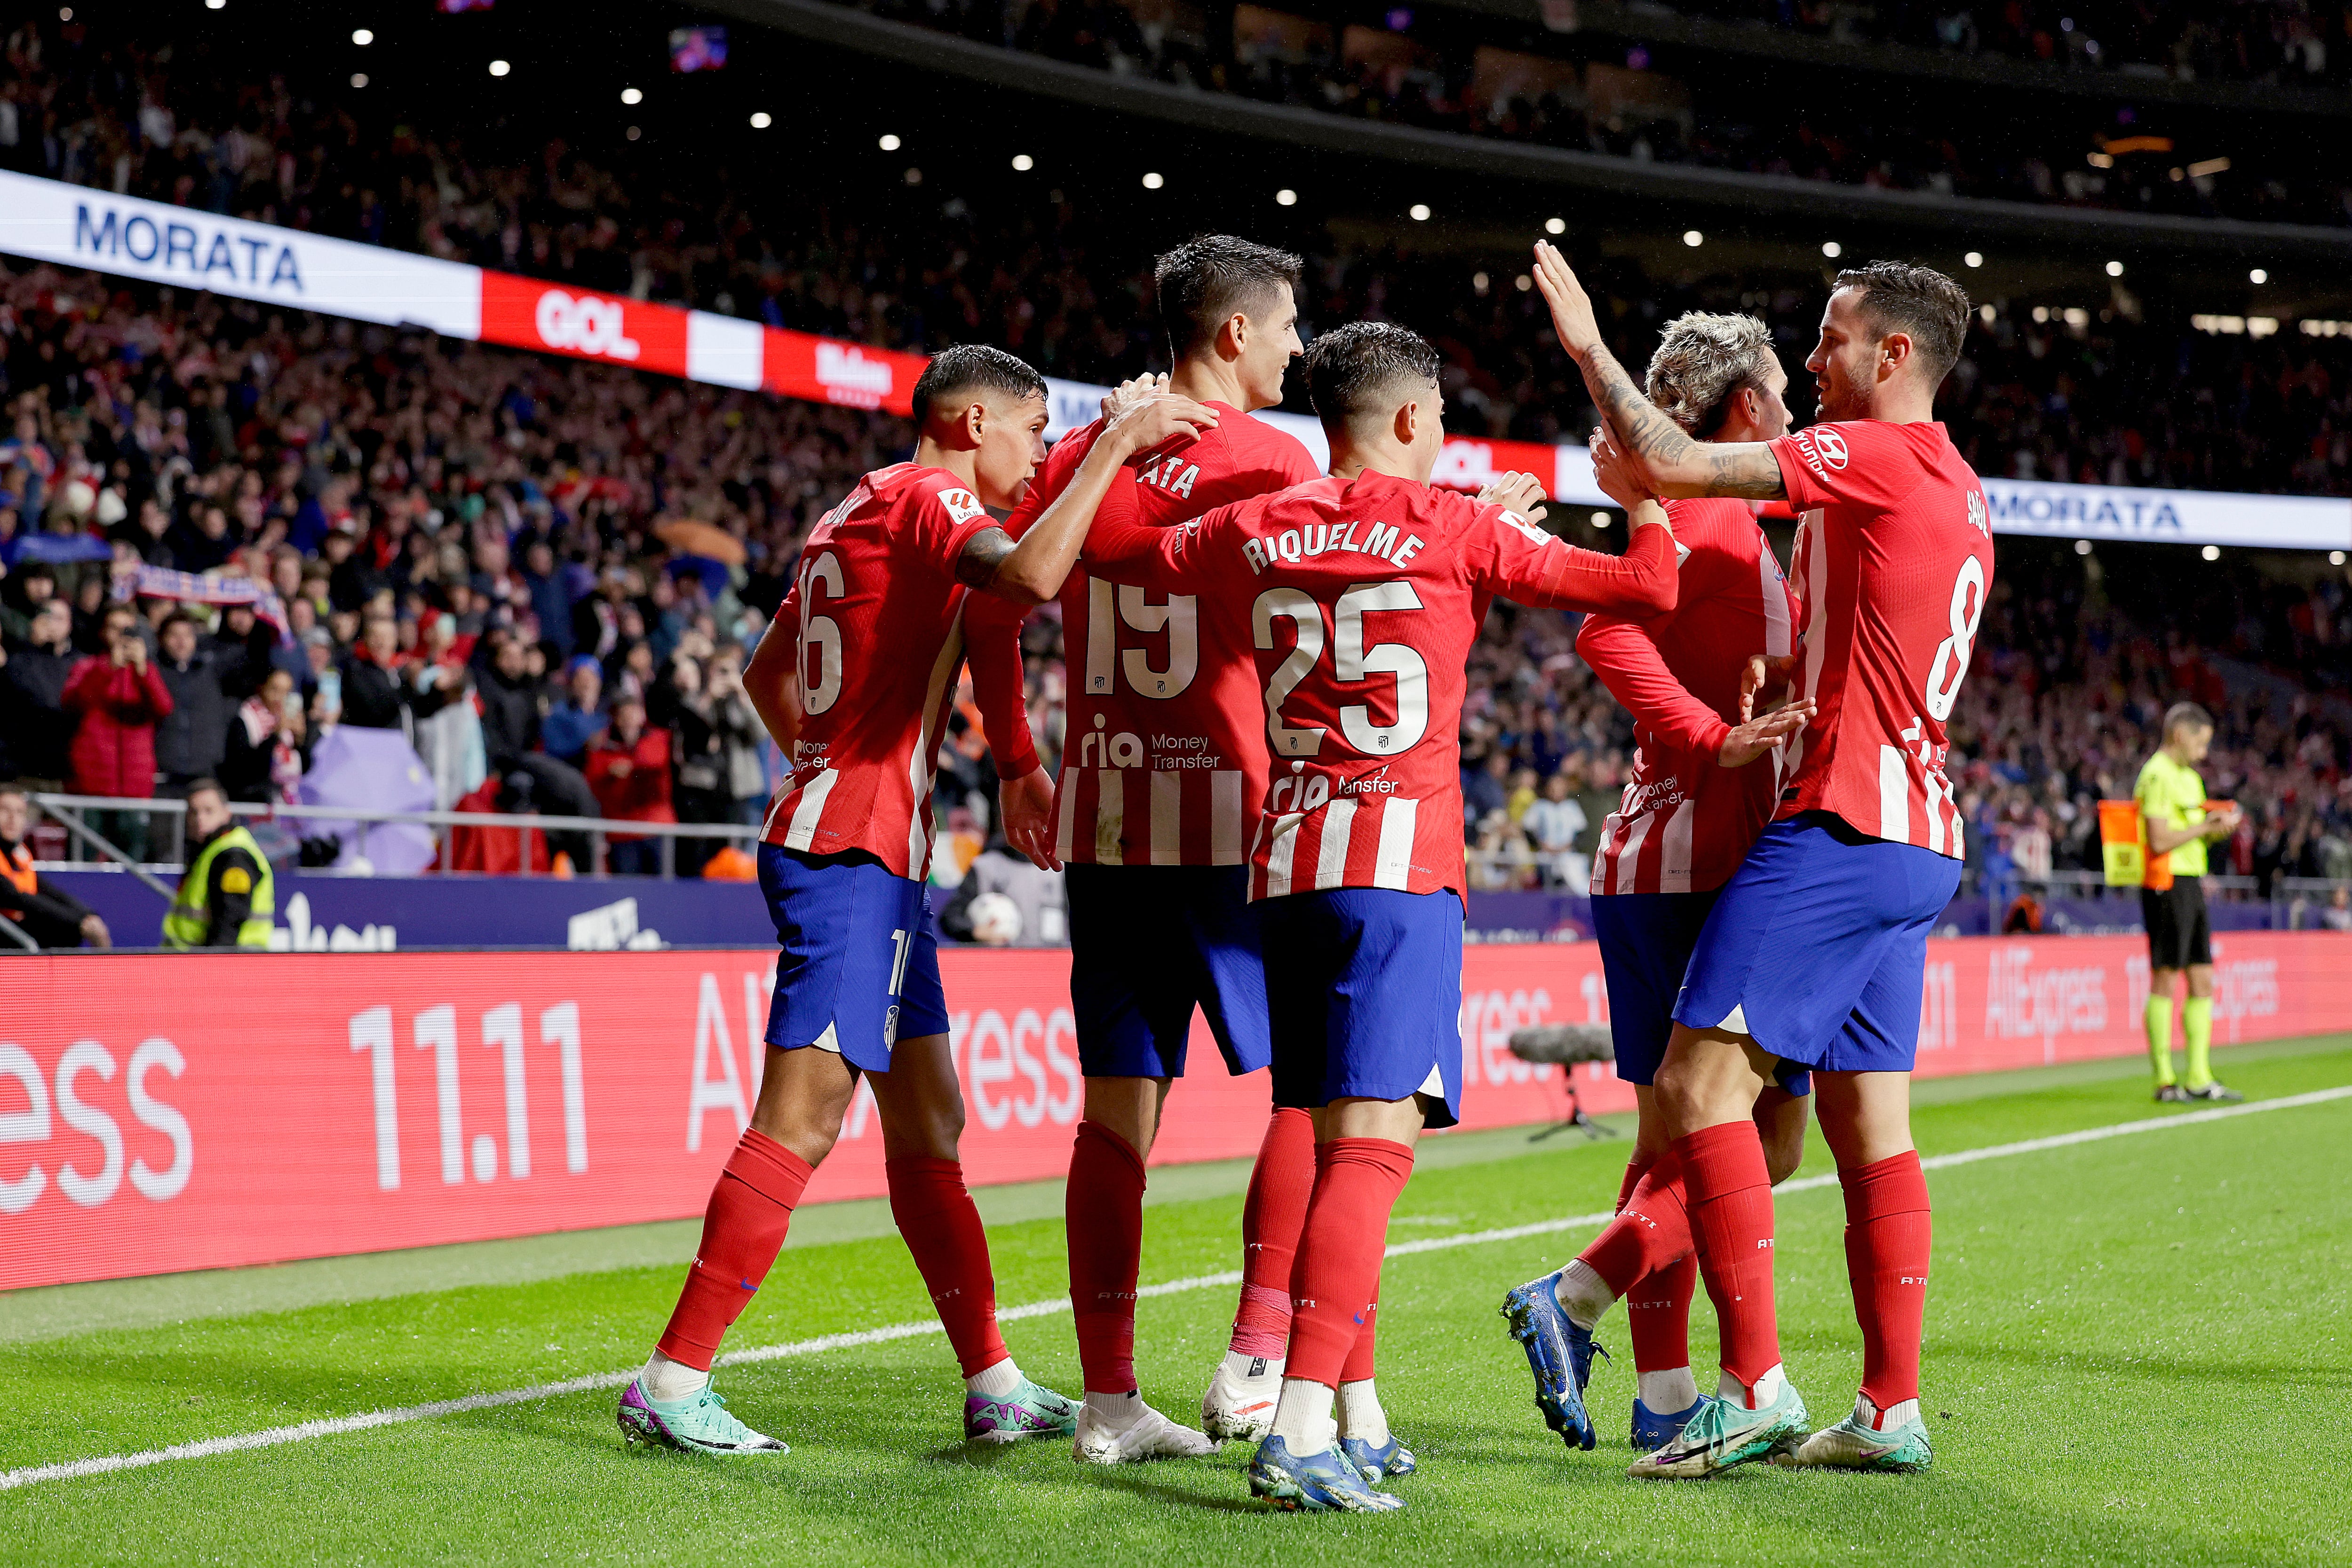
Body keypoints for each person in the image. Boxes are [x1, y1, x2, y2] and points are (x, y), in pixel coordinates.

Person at [1082, 319, 1678, 1511]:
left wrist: (1114, 439)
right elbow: (1648, 586)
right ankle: (1298, 1427)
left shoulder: (1263, 524)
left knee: (1316, 1141)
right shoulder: (1456, 525)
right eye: (1443, 416)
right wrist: (1647, 495)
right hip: (1399, 873)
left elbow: (1117, 551)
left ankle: (1347, 1414)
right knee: (1372, 1147)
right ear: (1412, 420)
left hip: (1286, 864)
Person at [615, 344, 1216, 1458]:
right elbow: (1032, 579)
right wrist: (1122, 443)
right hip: (850, 857)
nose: (1038, 448)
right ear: (973, 420)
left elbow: (765, 674)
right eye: (1032, 427)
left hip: (873, 854)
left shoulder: (862, 504)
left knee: (928, 1123)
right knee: (802, 1119)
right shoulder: (933, 496)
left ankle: (990, 1378)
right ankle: (672, 1375)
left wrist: (836, 755)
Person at [1541, 241, 1990, 1478]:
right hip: (1920, 834)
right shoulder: (1957, 481)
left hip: (1840, 825)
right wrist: (1794, 674)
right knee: (1868, 1128)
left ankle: (1749, 1389)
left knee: (1696, 1089)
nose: (1812, 357)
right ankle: (1890, 1407)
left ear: (1894, 355)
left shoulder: (1876, 450)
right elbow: (1883, 636)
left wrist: (1590, 348)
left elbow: (1680, 462)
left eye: (1834, 337)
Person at [972, 235, 1327, 1464]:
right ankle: (1258, 1350)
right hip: (1239, 820)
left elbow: (995, 596)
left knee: (1115, 1115)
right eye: (1286, 324)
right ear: (1231, 334)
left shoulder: (1078, 451)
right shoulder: (1274, 458)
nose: (1299, 344)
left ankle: (1112, 1400)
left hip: (1111, 820)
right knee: (1316, 1086)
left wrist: (1019, 757)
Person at [1499, 310, 1818, 1458]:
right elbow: (1602, 633)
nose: (1792, 409)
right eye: (1779, 391)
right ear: (1742, 410)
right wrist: (1708, 738)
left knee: (1687, 1146)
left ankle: (1664, 1394)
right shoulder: (1705, 518)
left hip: (1677, 861)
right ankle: (1584, 1300)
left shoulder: (1733, 510)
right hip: (1692, 864)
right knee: (1754, 1146)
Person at [2135, 701, 2243, 1104]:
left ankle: (2199, 1076)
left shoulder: (2190, 779)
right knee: (2165, 977)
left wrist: (2216, 830)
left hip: (2191, 883)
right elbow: (2160, 840)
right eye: (2200, 742)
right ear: (2180, 735)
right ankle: (2165, 1079)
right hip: (2165, 883)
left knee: (2202, 980)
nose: (2204, 752)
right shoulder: (2158, 774)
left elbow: (2190, 834)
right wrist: (2204, 826)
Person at [65, 603, 174, 863]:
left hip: (134, 788)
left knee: (131, 866)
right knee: (83, 861)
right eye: (114, 628)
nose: (120, 635)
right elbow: (74, 702)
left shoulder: (146, 671)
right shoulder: (87, 667)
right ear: (104, 633)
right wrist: (108, 669)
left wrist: (144, 672)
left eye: (126, 629)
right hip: (91, 786)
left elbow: (164, 707)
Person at [162, 779, 273, 948]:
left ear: (226, 814)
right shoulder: (210, 849)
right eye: (194, 812)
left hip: (232, 964)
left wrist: (213, 967)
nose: (200, 819)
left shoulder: (234, 856)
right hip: (195, 962)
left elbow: (229, 924)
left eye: (209, 811)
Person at [0, 783, 110, 949]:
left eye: (20, 812)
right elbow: (14, 897)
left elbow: (48, 892)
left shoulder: (18, 854)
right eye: (5, 810)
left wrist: (88, 916)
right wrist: (78, 922)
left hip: (13, 927)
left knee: (66, 931)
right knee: (65, 926)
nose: (13, 819)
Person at [583, 696, 675, 875]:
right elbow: (593, 780)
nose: (629, 721)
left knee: (663, 891)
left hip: (656, 828)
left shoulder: (657, 738)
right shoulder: (602, 747)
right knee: (626, 890)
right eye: (624, 716)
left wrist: (631, 766)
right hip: (622, 832)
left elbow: (655, 763)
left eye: (634, 715)